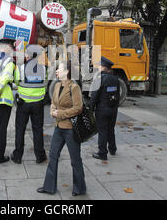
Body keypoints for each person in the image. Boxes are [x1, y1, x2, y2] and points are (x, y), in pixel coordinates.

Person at [37, 60, 86, 196]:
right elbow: (53, 102)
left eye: (59, 69)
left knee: (75, 159)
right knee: (52, 156)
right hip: (58, 128)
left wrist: (62, 114)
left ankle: (80, 188)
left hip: (71, 129)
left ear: (67, 72)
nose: (57, 71)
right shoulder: (57, 85)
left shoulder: (74, 88)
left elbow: (78, 108)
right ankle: (49, 187)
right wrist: (53, 111)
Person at [11, 45, 48, 164]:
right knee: (37, 129)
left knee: (20, 129)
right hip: (38, 104)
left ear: (28, 55)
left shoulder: (20, 68)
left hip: (23, 104)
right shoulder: (44, 68)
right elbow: (45, 83)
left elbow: (16, 82)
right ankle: (40, 156)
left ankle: (17, 156)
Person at [89, 56, 120, 161]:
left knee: (102, 131)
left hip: (102, 110)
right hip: (113, 109)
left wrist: (90, 110)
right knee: (111, 129)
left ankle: (102, 153)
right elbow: (118, 96)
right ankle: (113, 149)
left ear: (103, 67)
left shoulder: (99, 78)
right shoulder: (115, 79)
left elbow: (94, 97)